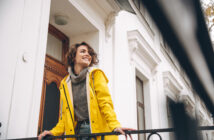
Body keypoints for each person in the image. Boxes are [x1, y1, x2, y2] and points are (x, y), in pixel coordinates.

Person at [38, 42, 134, 140]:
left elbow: (105, 103)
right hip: (78, 132)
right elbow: (65, 116)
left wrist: (115, 125)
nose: (87, 55)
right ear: (73, 57)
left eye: (89, 53)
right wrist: (53, 132)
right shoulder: (65, 83)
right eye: (83, 51)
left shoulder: (95, 75)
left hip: (97, 132)